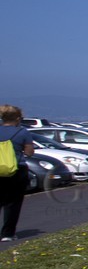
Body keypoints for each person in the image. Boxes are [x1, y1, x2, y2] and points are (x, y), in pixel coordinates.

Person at [0, 104, 38, 242]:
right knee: (12, 203)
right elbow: (29, 152)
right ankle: (7, 234)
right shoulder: (22, 132)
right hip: (16, 169)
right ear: (17, 118)